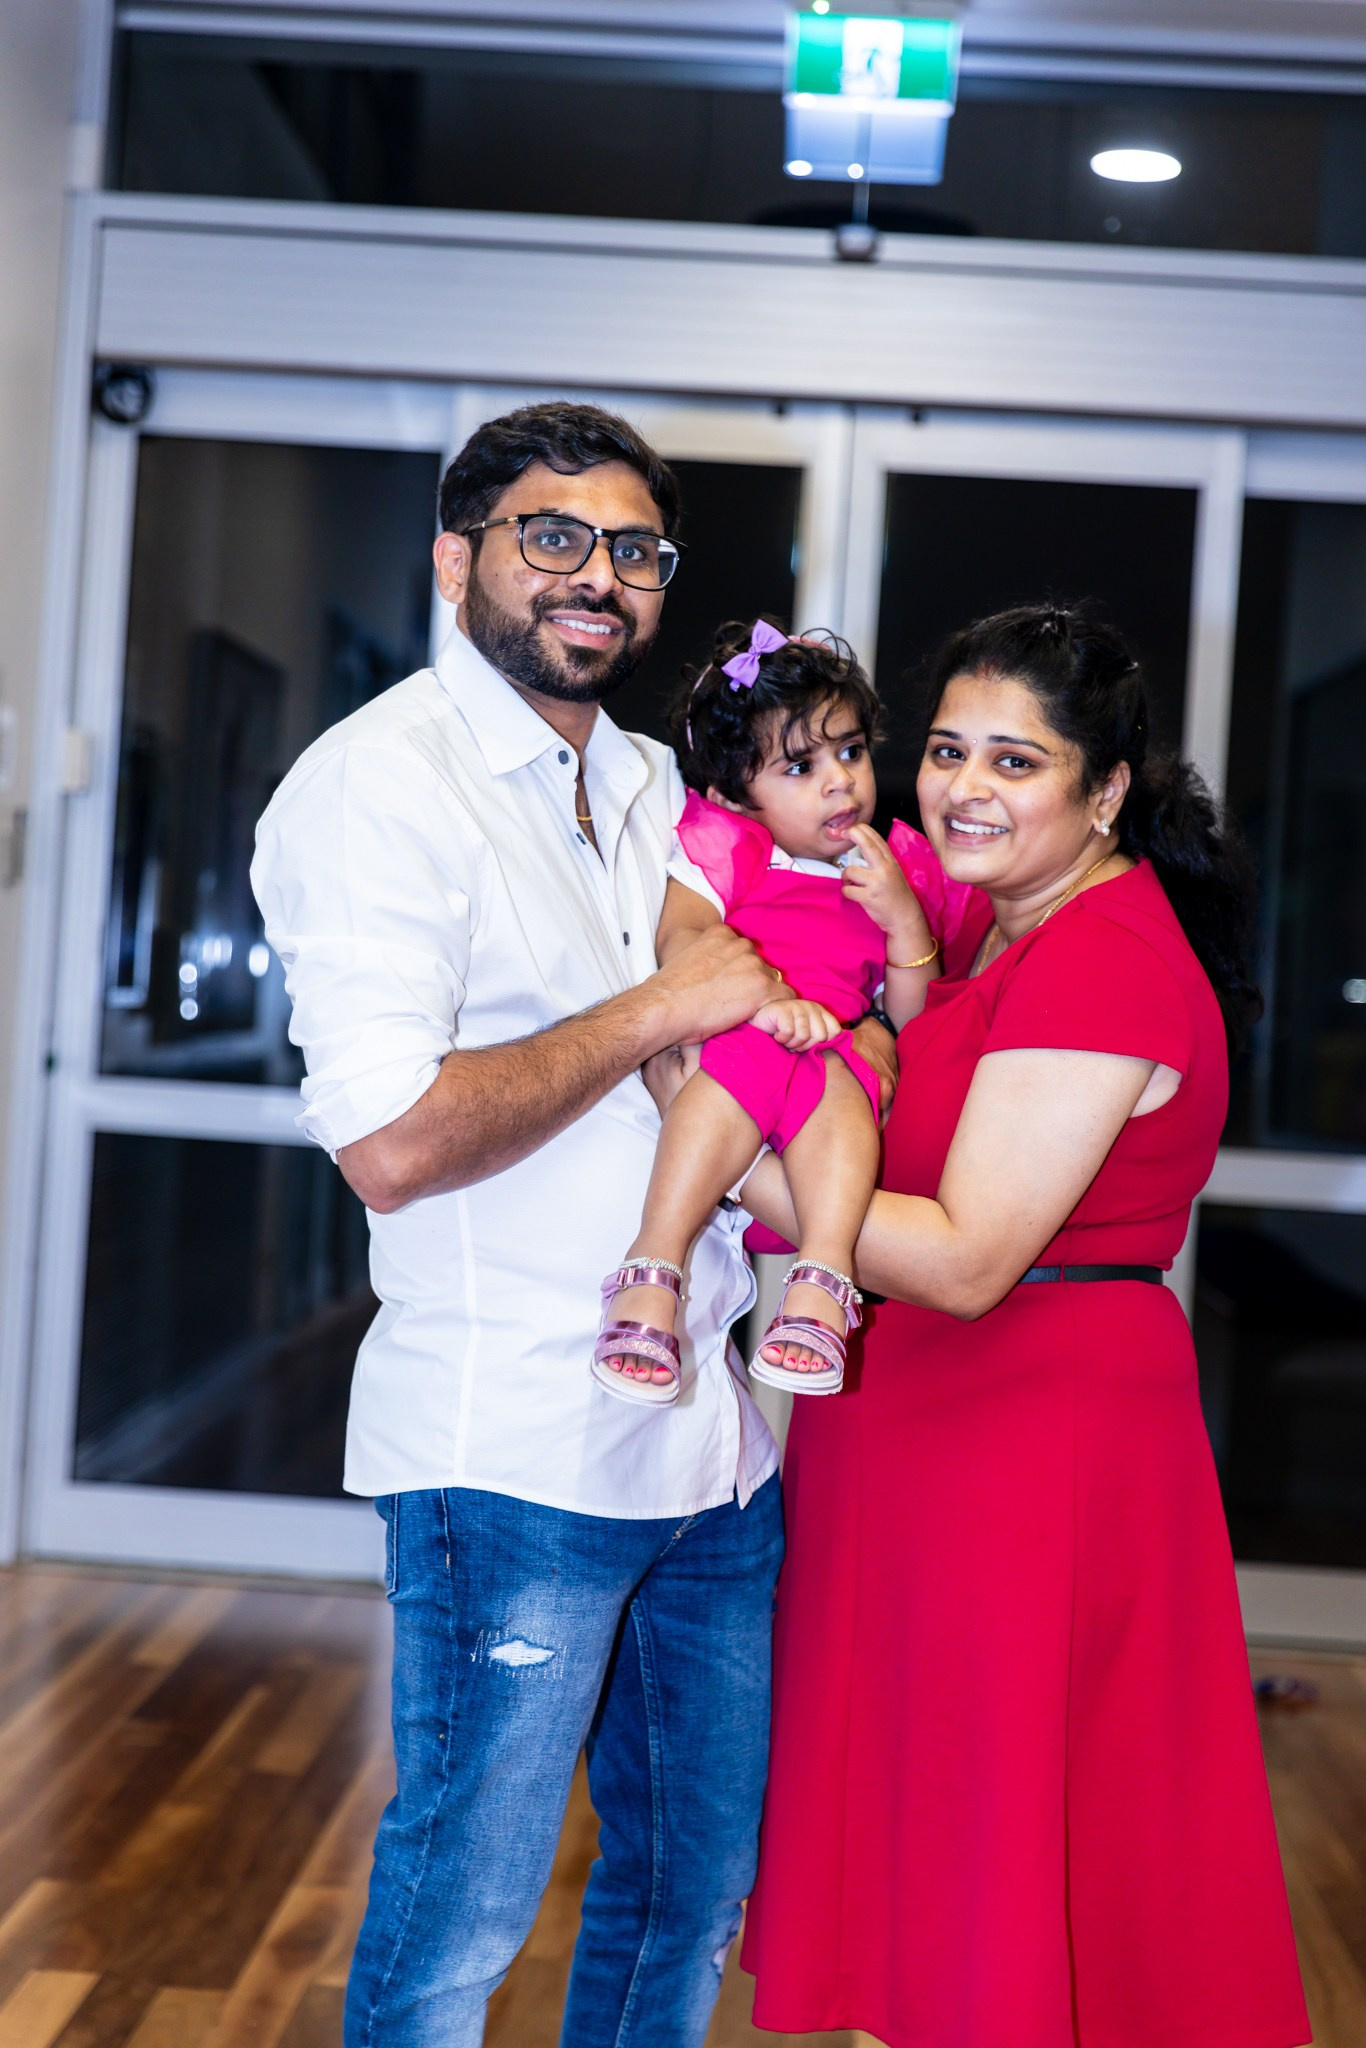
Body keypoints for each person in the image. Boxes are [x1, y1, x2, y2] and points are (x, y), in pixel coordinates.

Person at [251, 400, 892, 2048]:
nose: (597, 575)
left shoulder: (657, 781)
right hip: (515, 1450)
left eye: (634, 549)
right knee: (464, 1912)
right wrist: (656, 1009)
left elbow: (763, 1032)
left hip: (714, 1454)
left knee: (686, 1899)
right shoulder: (378, 788)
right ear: (455, 558)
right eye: (553, 536)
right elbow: (393, 1141)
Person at [734, 602, 1311, 2048]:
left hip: (1022, 1451)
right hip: (926, 1440)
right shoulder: (992, 932)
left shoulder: (1102, 956)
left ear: (1103, 790)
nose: (963, 789)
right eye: (945, 751)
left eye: (1015, 760)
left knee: (998, 1854)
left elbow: (965, 1257)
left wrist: (736, 1164)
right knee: (929, 1863)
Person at [595, 617, 948, 1405]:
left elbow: (914, 1018)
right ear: (734, 796)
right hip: (745, 1043)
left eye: (850, 751)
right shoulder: (734, 848)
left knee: (847, 1094)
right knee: (737, 1073)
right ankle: (653, 1268)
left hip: (829, 1059)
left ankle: (822, 1278)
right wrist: (767, 1000)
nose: (840, 781)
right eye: (800, 766)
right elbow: (683, 938)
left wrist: (904, 921)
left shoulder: (888, 869)